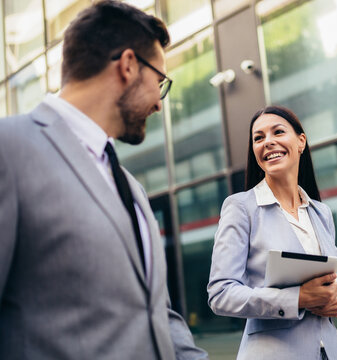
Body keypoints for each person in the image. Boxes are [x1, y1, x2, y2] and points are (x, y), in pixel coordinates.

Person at [0, 2, 207, 359]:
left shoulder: (132, 188)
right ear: (128, 65)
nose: (160, 103)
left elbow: (157, 313)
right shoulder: (9, 149)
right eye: (160, 81)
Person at [207, 105, 337, 359]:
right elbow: (221, 293)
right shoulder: (241, 208)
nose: (268, 142)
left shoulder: (321, 212)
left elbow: (332, 280)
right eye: (259, 137)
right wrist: (297, 298)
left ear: (301, 142)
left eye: (278, 132)